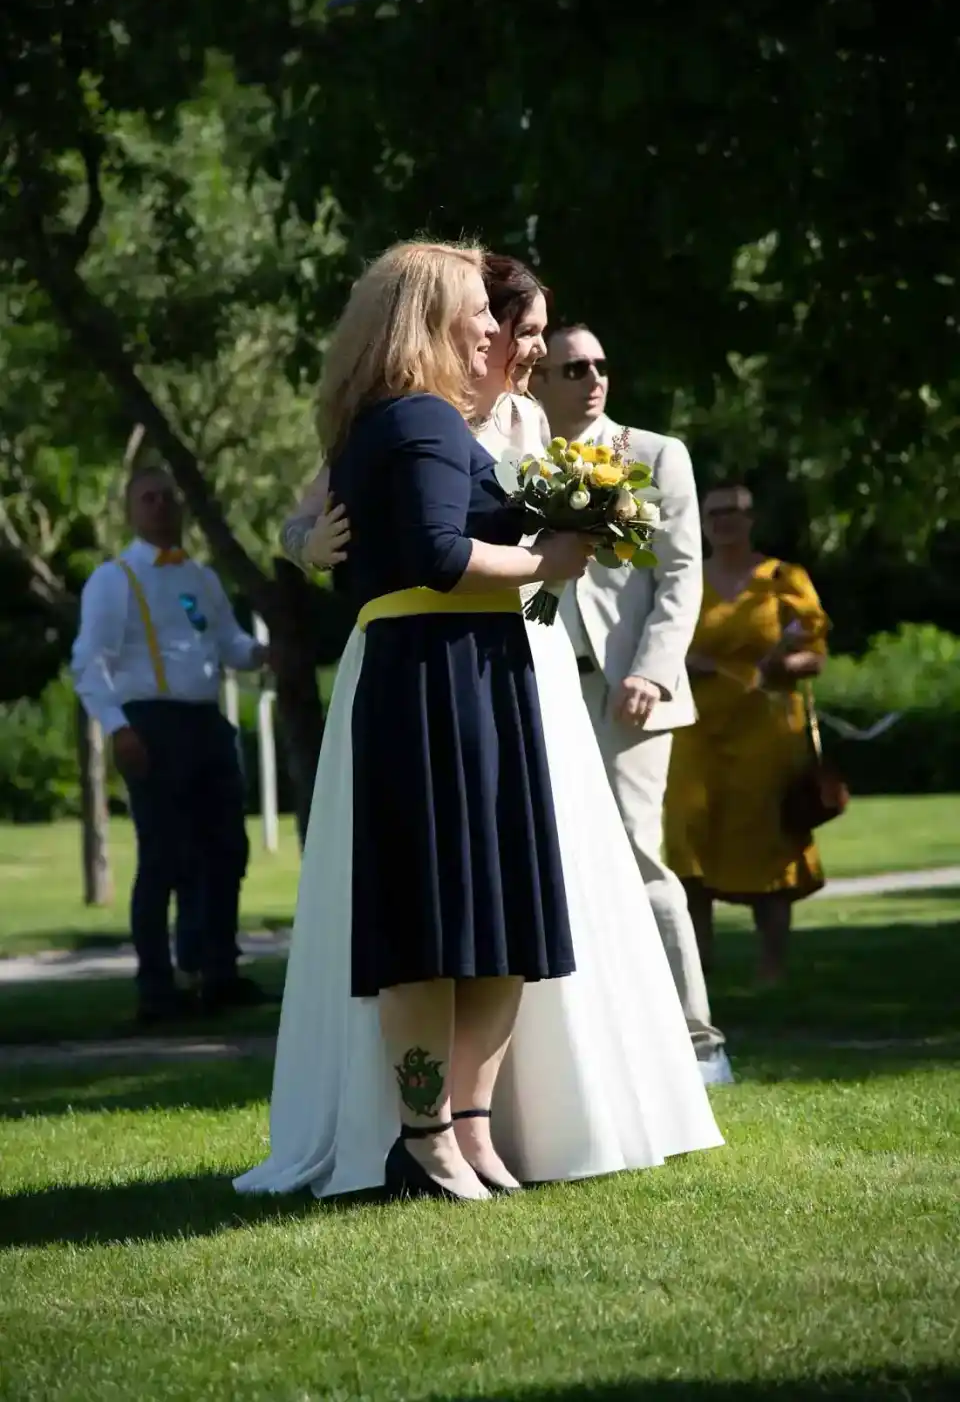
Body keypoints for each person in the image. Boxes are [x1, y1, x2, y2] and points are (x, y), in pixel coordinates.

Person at [238, 252, 722, 1204]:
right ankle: (428, 1136)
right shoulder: (414, 417)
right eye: (482, 316)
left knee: (503, 918)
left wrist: (567, 538)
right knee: (435, 921)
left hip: (485, 674)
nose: (499, 337)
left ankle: (466, 1129)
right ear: (429, 318)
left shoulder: (435, 418)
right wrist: (549, 561)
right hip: (435, 680)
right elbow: (432, 551)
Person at [531, 324, 731, 1083]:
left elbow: (681, 579)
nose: (592, 377)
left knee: (640, 858)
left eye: (600, 365)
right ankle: (594, 1048)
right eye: (572, 367)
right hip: (545, 682)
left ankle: (699, 1044)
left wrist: (651, 671)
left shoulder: (654, 454)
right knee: (558, 862)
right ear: (538, 381)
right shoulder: (521, 460)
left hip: (631, 696)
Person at [70, 467, 273, 1023]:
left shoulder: (202, 578)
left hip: (205, 724)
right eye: (148, 498)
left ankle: (217, 971)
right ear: (131, 510)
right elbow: (89, 663)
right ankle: (156, 987)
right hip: (150, 725)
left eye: (168, 497)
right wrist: (117, 727)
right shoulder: (115, 579)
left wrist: (261, 655)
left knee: (225, 851)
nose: (160, 506)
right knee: (164, 859)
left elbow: (227, 641)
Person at [664, 482, 830, 985]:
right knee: (688, 838)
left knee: (767, 843)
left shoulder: (782, 577)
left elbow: (815, 654)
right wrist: (681, 661)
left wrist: (783, 664)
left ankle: (771, 968)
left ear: (751, 518)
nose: (724, 522)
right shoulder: (685, 576)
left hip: (765, 733)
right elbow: (657, 637)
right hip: (694, 730)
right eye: (715, 513)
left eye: (734, 512)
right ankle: (700, 965)